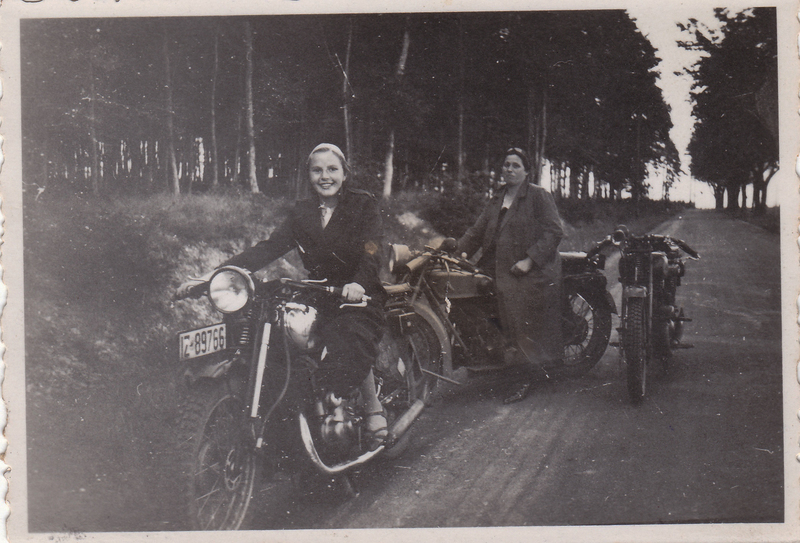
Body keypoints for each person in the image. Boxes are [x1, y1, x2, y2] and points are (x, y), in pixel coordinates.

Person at [178, 143, 388, 446]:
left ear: (345, 173)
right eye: (317, 170)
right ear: (309, 175)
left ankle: (372, 409)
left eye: (332, 169)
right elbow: (269, 248)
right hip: (318, 291)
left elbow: (372, 248)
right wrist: (212, 275)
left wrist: (359, 284)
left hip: (357, 291)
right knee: (282, 334)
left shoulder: (362, 204)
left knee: (351, 334)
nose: (325, 176)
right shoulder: (302, 212)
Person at [457, 147, 564, 404]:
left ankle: (523, 377)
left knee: (515, 309)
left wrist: (529, 260)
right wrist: (454, 252)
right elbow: (476, 232)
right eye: (506, 164)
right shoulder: (497, 198)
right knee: (466, 294)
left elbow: (553, 231)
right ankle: (486, 355)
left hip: (530, 270)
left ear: (527, 171)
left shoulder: (538, 195)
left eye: (516, 165)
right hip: (497, 266)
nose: (509, 169)